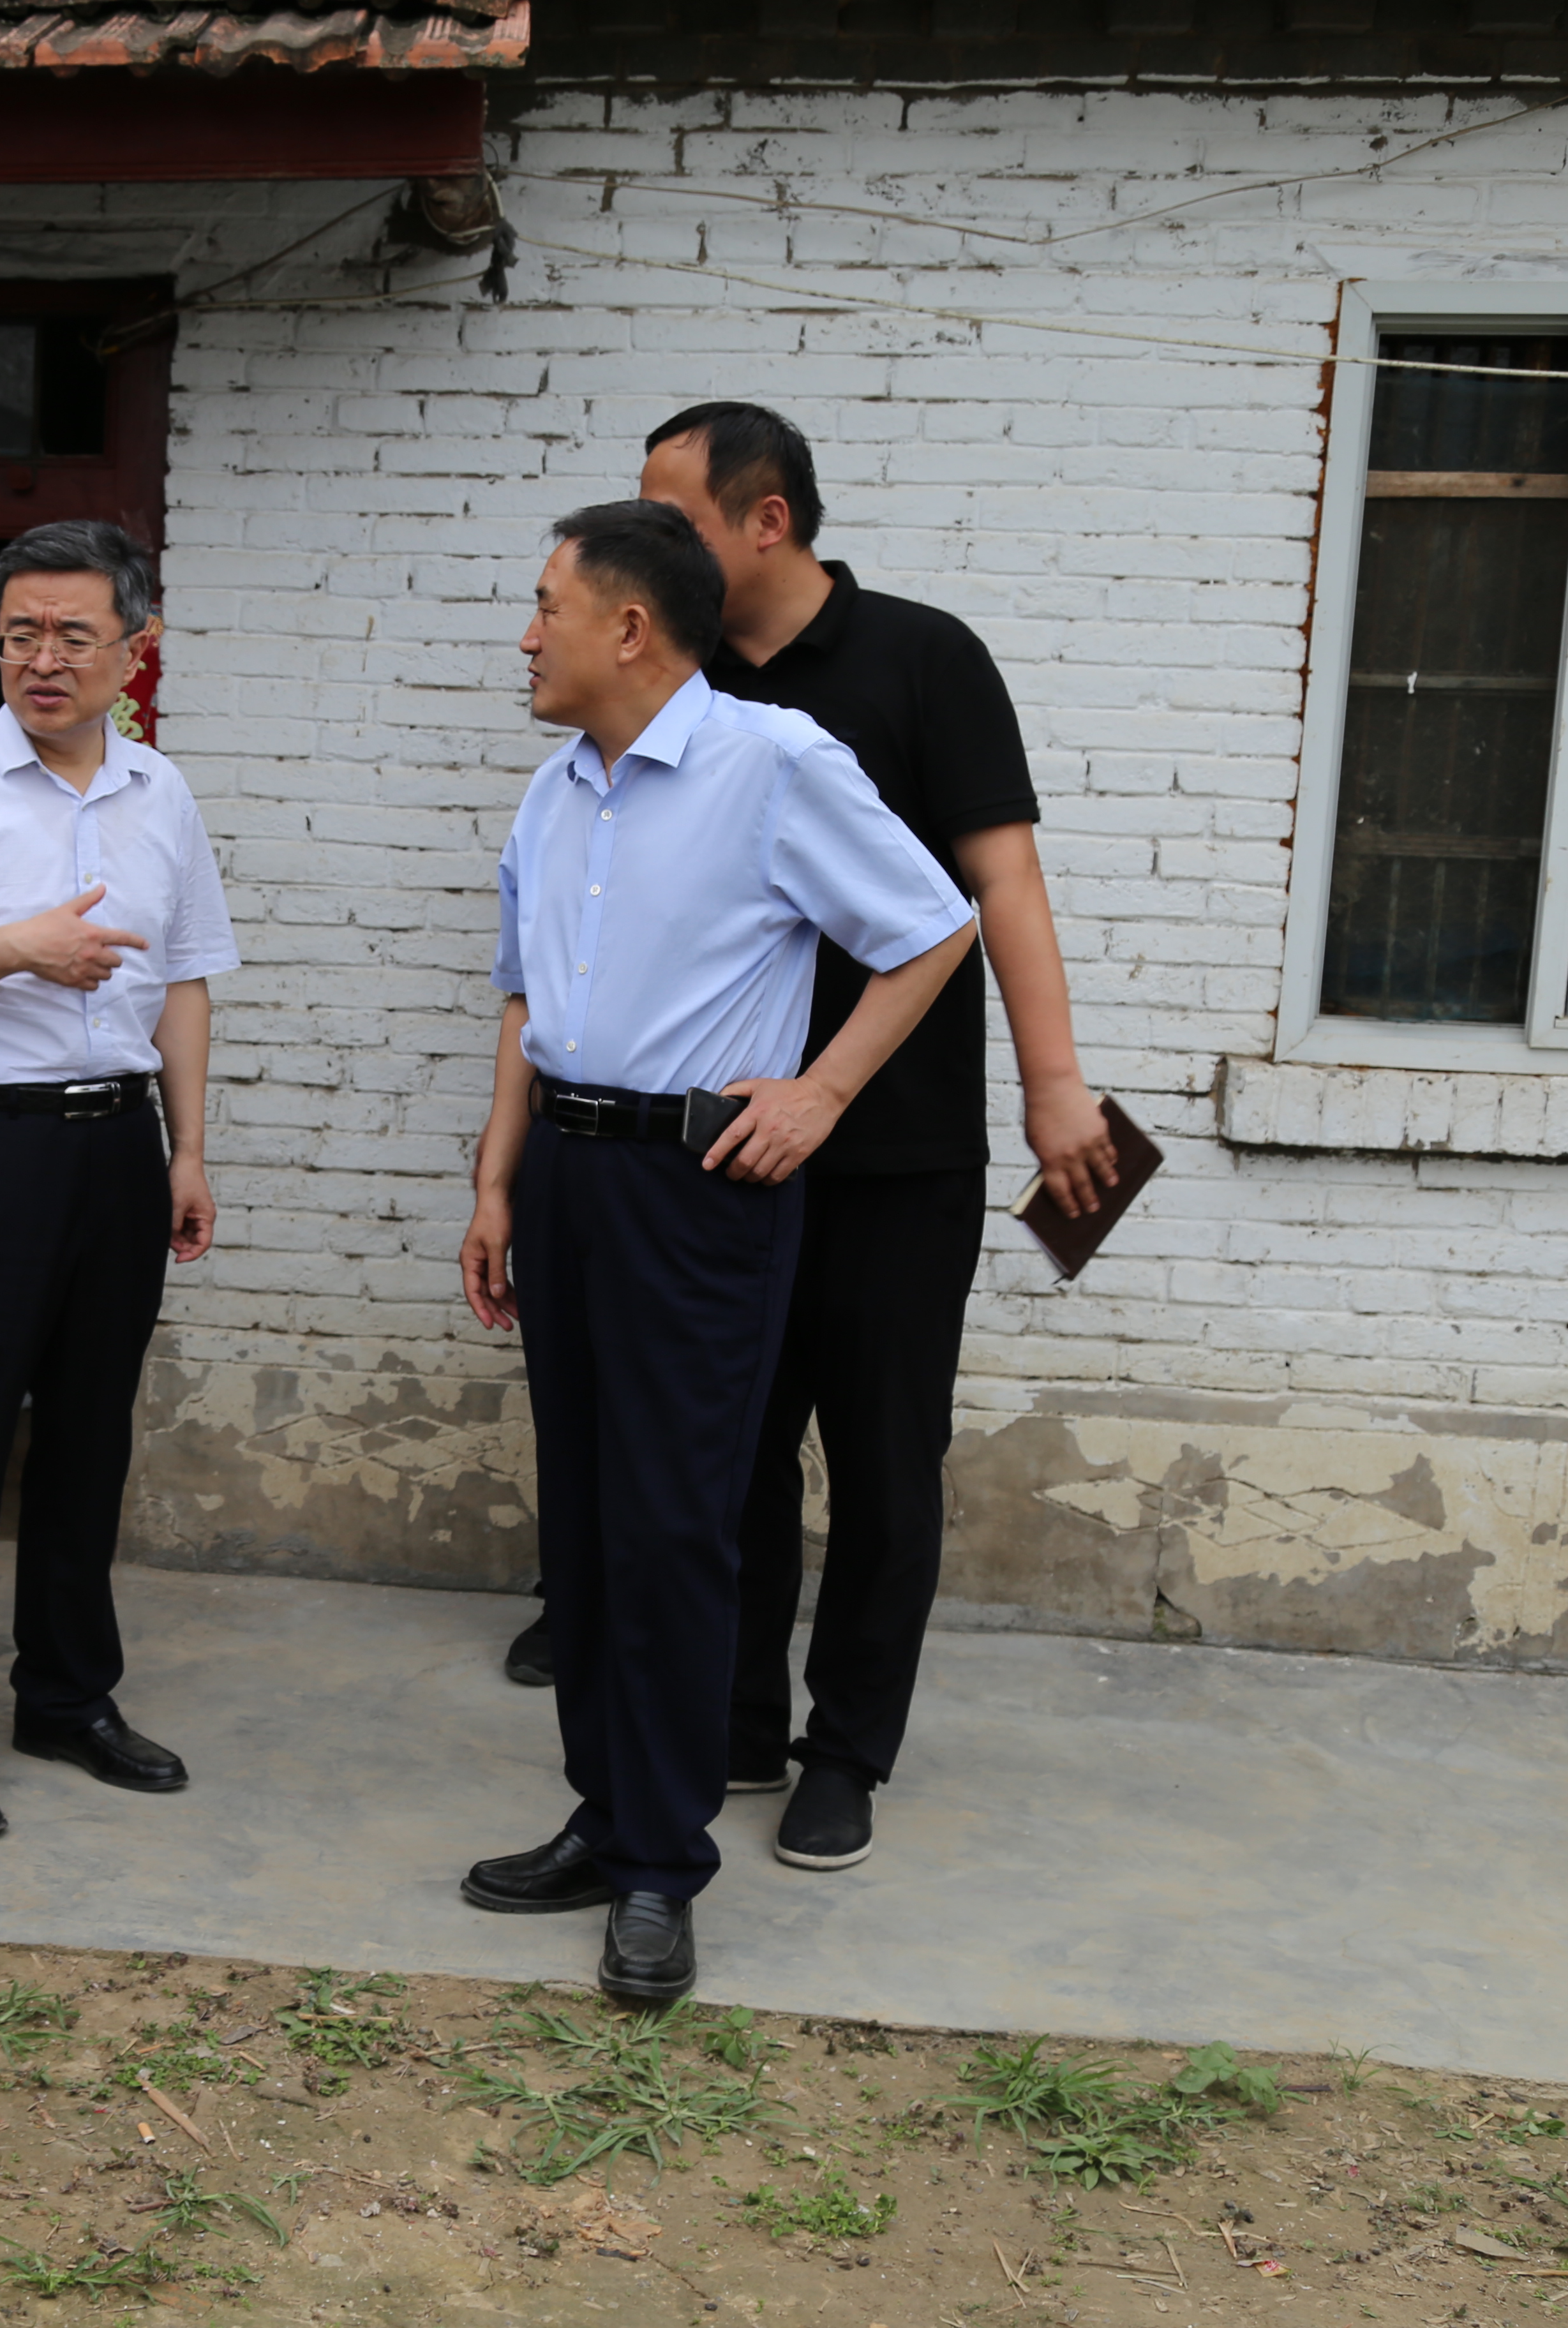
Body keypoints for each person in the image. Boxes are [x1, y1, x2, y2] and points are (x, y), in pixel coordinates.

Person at [451, 500, 973, 2005]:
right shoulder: (555, 789)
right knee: (584, 1522)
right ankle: (606, 1812)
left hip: (697, 1194)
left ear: (630, 627)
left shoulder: (775, 763)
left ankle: (661, 1868)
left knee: (676, 1527)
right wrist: (496, 1184)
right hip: (567, 1177)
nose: (526, 636)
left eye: (547, 606)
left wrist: (822, 1092)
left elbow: (932, 929)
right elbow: (524, 1000)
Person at [639, 403, 1121, 1875]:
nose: (651, 542)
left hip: (899, 1152)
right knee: (730, 1453)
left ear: (767, 520)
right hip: (723, 1141)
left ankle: (845, 1752)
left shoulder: (923, 658)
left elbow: (1003, 882)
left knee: (884, 1462)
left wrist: (1055, 1083)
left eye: (675, 517)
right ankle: (736, 1720)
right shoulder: (680, 672)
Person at [0, 520, 237, 1842]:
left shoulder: (160, 794)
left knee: (89, 1435)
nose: (44, 659)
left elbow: (183, 981)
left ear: (136, 649)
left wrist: (187, 1148)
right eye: (22, 633)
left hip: (115, 1146)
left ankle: (68, 1698)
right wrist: (21, 947)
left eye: (75, 634)